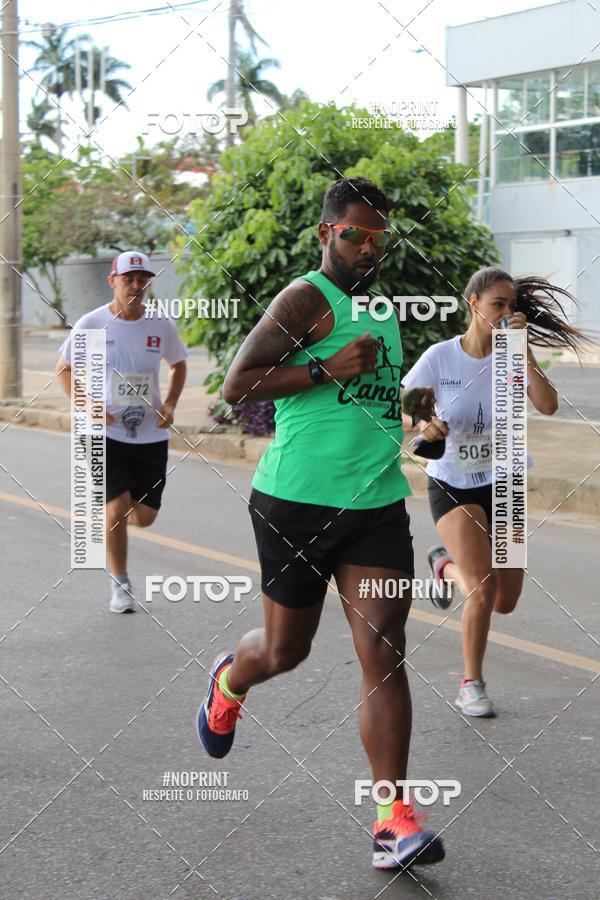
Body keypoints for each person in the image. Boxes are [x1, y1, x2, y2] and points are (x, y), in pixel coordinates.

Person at [196, 177, 445, 871]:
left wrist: (420, 417)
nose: (368, 249)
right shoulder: (305, 298)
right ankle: (229, 680)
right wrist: (324, 366)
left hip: (374, 506)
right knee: (285, 652)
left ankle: (393, 820)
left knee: (383, 650)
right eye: (354, 235)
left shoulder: (385, 309)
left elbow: (380, 390)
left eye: (378, 238)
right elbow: (237, 383)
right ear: (326, 234)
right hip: (296, 502)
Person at [402, 266, 587, 717]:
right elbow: (406, 404)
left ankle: (443, 567)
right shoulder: (441, 357)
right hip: (453, 482)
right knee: (482, 591)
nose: (506, 313)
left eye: (511, 306)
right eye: (497, 304)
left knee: (505, 601)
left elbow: (547, 404)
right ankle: (471, 683)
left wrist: (522, 354)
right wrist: (427, 422)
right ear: (473, 303)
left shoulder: (512, 356)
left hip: (504, 481)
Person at [56, 251, 188, 613]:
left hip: (149, 433)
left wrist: (172, 403)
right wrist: (87, 405)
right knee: (116, 508)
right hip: (102, 433)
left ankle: (116, 509)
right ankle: (121, 584)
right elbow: (64, 369)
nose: (135, 285)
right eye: (128, 278)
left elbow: (178, 364)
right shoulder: (92, 324)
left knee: (144, 516)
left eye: (142, 279)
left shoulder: (160, 325)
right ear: (112, 281)